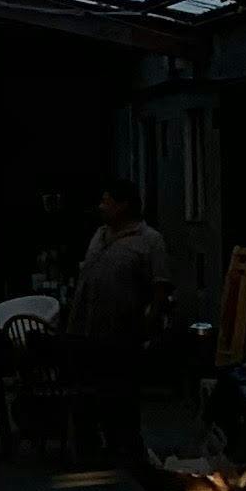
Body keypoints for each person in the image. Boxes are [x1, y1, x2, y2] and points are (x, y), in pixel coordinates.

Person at [66, 182, 169, 459]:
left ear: (123, 205)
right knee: (86, 394)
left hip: (121, 332)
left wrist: (150, 324)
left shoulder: (149, 240)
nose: (102, 207)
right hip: (86, 329)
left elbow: (160, 287)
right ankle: (91, 449)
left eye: (107, 201)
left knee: (121, 394)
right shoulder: (99, 236)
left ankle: (126, 449)